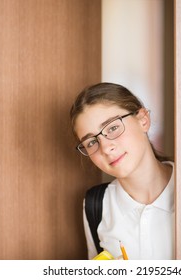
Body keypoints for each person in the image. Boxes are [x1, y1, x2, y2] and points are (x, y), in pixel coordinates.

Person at [70, 82, 174, 260]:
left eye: (112, 128)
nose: (106, 148)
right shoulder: (95, 205)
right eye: (92, 142)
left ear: (143, 120)